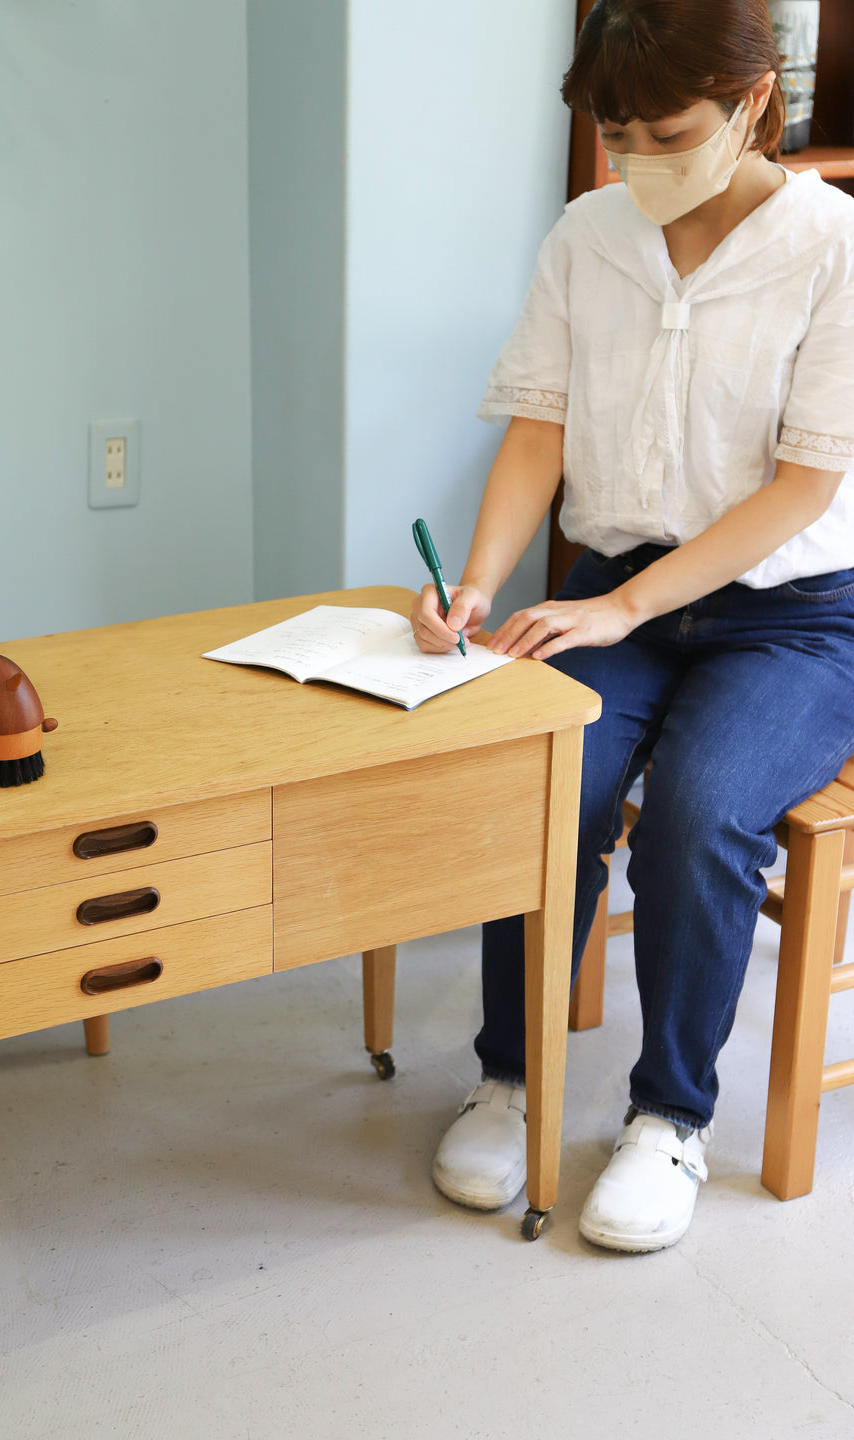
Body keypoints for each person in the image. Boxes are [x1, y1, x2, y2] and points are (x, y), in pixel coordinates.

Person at [411, 0, 854, 1253]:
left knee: (701, 814)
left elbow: (803, 489)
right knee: (549, 786)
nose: (640, 160)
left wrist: (619, 606)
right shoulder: (587, 235)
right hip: (621, 595)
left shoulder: (834, 247)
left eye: (670, 133)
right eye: (619, 136)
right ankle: (510, 1079)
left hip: (797, 617)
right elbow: (539, 429)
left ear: (754, 103)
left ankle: (669, 1118)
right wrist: (477, 585)